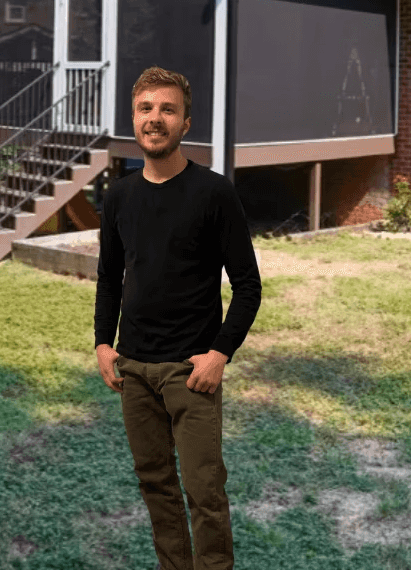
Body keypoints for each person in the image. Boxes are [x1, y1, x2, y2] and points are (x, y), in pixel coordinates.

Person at [94, 65, 262, 570]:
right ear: (134, 118)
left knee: (204, 493)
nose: (155, 119)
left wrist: (219, 355)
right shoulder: (120, 196)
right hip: (135, 370)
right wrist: (104, 343)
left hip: (190, 373)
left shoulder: (213, 193)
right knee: (155, 486)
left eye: (168, 109)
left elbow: (248, 286)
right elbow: (108, 277)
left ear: (186, 122)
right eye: (146, 109)